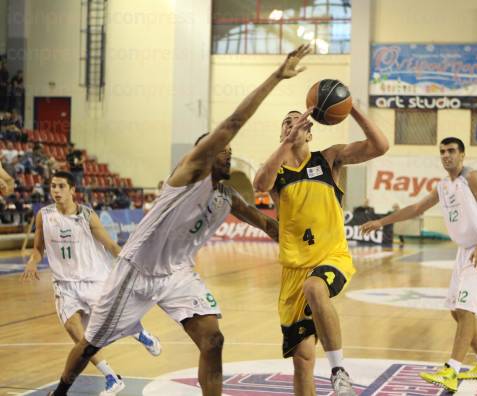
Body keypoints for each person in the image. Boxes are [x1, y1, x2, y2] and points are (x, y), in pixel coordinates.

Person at [47, 44, 309, 396]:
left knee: (213, 340)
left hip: (177, 274)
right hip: (137, 271)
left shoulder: (226, 195)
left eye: (229, 151)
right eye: (221, 148)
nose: (227, 152)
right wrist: (277, 75)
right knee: (91, 344)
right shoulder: (190, 173)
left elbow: (267, 225)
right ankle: (61, 390)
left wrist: (309, 238)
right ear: (204, 153)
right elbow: (233, 123)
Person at [253, 103, 389, 396]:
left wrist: (352, 109)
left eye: (298, 121)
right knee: (302, 360)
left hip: (332, 257)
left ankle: (339, 371)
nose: (292, 124)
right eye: (286, 123)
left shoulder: (329, 159)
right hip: (293, 270)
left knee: (315, 287)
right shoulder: (276, 171)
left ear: (310, 132)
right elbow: (259, 184)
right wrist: (287, 144)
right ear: (281, 134)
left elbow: (380, 146)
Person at [361, 137, 477, 393]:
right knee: (456, 311)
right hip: (464, 251)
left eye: (451, 151)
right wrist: (381, 222)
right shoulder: (443, 185)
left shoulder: (473, 178)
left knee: (465, 308)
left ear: (462, 155)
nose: (446, 155)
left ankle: (452, 369)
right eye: (443, 152)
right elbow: (415, 208)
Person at [22, 171, 161, 396]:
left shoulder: (87, 216)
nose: (55, 190)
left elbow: (111, 246)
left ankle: (140, 333)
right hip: (65, 285)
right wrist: (32, 261)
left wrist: (132, 266)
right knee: (77, 334)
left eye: (60, 186)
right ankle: (111, 377)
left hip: (95, 279)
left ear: (72, 190)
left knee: (111, 323)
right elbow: (38, 249)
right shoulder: (44, 216)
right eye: (52, 186)